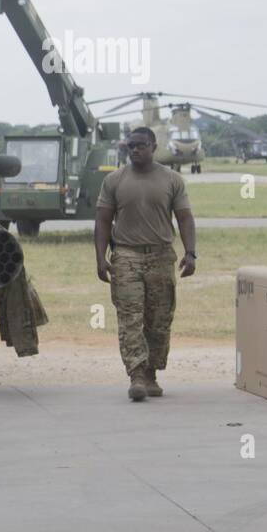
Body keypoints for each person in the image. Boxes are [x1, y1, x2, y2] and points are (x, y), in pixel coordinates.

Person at [93, 126, 196, 401]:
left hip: (161, 255)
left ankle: (152, 373)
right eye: (130, 146)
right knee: (130, 317)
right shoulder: (114, 180)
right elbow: (103, 220)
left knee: (159, 319)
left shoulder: (171, 179)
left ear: (153, 146)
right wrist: (100, 258)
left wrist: (191, 253)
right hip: (126, 255)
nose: (135, 150)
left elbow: (185, 218)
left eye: (140, 145)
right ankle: (136, 374)